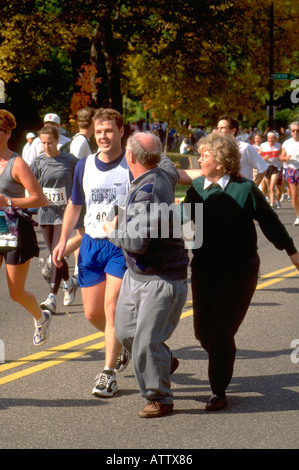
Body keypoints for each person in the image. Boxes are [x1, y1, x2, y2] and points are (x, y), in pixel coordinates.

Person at [182, 133, 299, 411]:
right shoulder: (197, 187)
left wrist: (292, 252)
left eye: (205, 155)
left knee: (221, 332)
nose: (199, 160)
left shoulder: (244, 189)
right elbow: (185, 223)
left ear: (221, 161)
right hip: (204, 269)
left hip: (239, 270)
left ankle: (218, 390)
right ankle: (223, 358)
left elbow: (270, 222)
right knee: (202, 333)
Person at [103, 131, 189, 418]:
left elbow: (138, 243)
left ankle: (160, 399)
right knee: (125, 331)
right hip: (135, 276)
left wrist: (111, 233)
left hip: (161, 278)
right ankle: (161, 361)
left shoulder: (147, 192)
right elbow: (169, 163)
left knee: (145, 344)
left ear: (130, 157)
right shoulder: (162, 170)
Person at [52, 108, 131, 397]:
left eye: (109, 130)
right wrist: (62, 242)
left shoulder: (131, 164)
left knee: (111, 310)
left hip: (120, 246)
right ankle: (129, 344)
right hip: (91, 245)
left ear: (121, 131)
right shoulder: (84, 165)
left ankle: (108, 373)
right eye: (99, 131)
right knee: (91, 313)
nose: (103, 136)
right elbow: (74, 204)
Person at [0, 110, 51, 346]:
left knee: (16, 292)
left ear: (8, 133)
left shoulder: (16, 163)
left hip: (14, 229)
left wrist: (8, 202)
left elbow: (40, 199)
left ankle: (41, 317)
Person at [30, 124, 78, 314]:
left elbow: (81, 181)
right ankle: (69, 282)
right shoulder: (38, 162)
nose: (47, 146)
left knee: (56, 255)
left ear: (57, 141)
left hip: (64, 214)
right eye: (43, 143)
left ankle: (52, 297)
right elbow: (29, 183)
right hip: (45, 213)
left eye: (50, 142)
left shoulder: (70, 160)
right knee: (55, 255)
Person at [63, 107, 96, 283]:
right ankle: (56, 256)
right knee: (85, 234)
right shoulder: (81, 142)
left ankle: (77, 271)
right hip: (79, 195)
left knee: (81, 232)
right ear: (92, 122)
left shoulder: (80, 139)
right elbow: (72, 168)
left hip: (80, 193)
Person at [217, 115, 267, 185]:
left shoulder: (245, 147)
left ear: (233, 131)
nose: (218, 131)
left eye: (222, 128)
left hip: (240, 192)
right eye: (218, 128)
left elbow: (262, 168)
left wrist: (252, 188)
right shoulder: (216, 149)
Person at [280, 121, 299, 225]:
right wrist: (285, 158)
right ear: (291, 132)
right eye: (293, 130)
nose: (295, 132)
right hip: (292, 170)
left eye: (298, 130)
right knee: (294, 195)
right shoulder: (287, 143)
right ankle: (298, 216)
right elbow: (281, 157)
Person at [259, 131, 282, 208]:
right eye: (269, 138)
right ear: (267, 138)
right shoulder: (263, 145)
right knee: (267, 186)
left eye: (272, 138)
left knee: (272, 187)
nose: (271, 140)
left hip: (275, 167)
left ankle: (272, 204)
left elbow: (282, 154)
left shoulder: (278, 145)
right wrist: (263, 158)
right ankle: (273, 200)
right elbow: (258, 156)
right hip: (266, 167)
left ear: (275, 139)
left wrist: (282, 158)